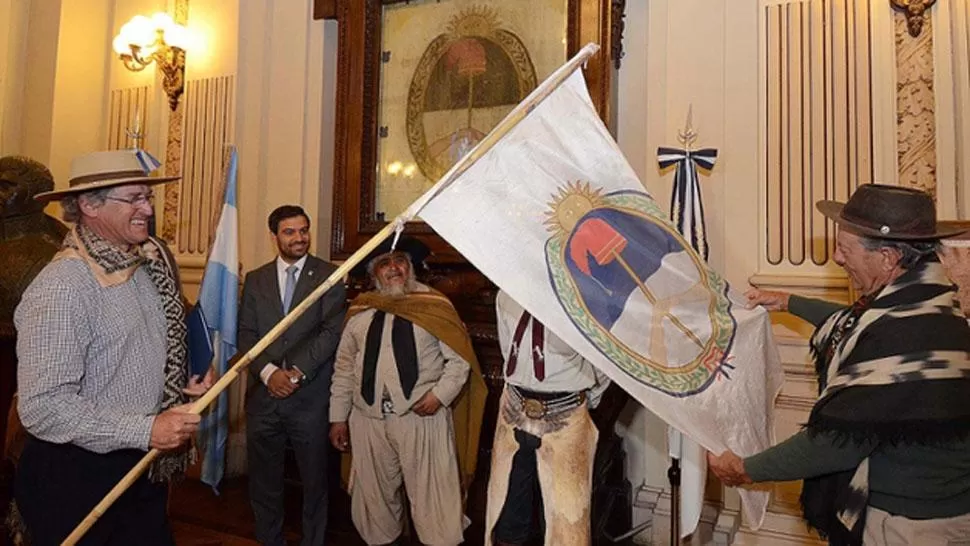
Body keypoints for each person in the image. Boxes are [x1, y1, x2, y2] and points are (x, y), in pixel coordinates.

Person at [707, 184, 970, 545]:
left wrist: (744, 469)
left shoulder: (903, 336)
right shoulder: (924, 304)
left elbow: (833, 443)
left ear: (889, 257)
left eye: (846, 249)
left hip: (911, 526)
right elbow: (858, 325)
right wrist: (787, 301)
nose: (837, 258)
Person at [13, 149, 212, 545]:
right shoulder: (63, 286)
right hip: (76, 479)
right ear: (89, 205)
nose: (147, 209)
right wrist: (145, 428)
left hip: (139, 471)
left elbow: (137, 354)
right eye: (134, 198)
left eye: (148, 197)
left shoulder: (142, 270)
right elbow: (43, 408)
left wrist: (183, 379)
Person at [329, 236, 486, 546]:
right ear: (374, 273)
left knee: (434, 501)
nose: (394, 268)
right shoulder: (361, 310)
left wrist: (439, 396)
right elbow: (344, 367)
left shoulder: (435, 306)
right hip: (368, 419)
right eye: (385, 263)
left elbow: (459, 362)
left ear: (410, 266)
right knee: (375, 502)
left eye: (400, 260)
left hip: (421, 418)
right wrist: (338, 418)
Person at [238, 205, 346, 546]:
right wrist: (269, 374)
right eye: (290, 232)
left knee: (315, 482)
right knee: (264, 482)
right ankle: (270, 540)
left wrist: (297, 374)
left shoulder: (330, 275)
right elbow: (245, 334)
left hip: (309, 400)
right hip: (263, 398)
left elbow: (331, 332)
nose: (299, 238)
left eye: (303, 230)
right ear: (274, 237)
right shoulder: (256, 279)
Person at [485, 290, 610, 546]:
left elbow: (604, 360)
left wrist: (584, 403)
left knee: (567, 524)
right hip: (514, 415)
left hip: (565, 421)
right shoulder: (507, 294)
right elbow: (508, 349)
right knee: (507, 515)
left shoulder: (585, 298)